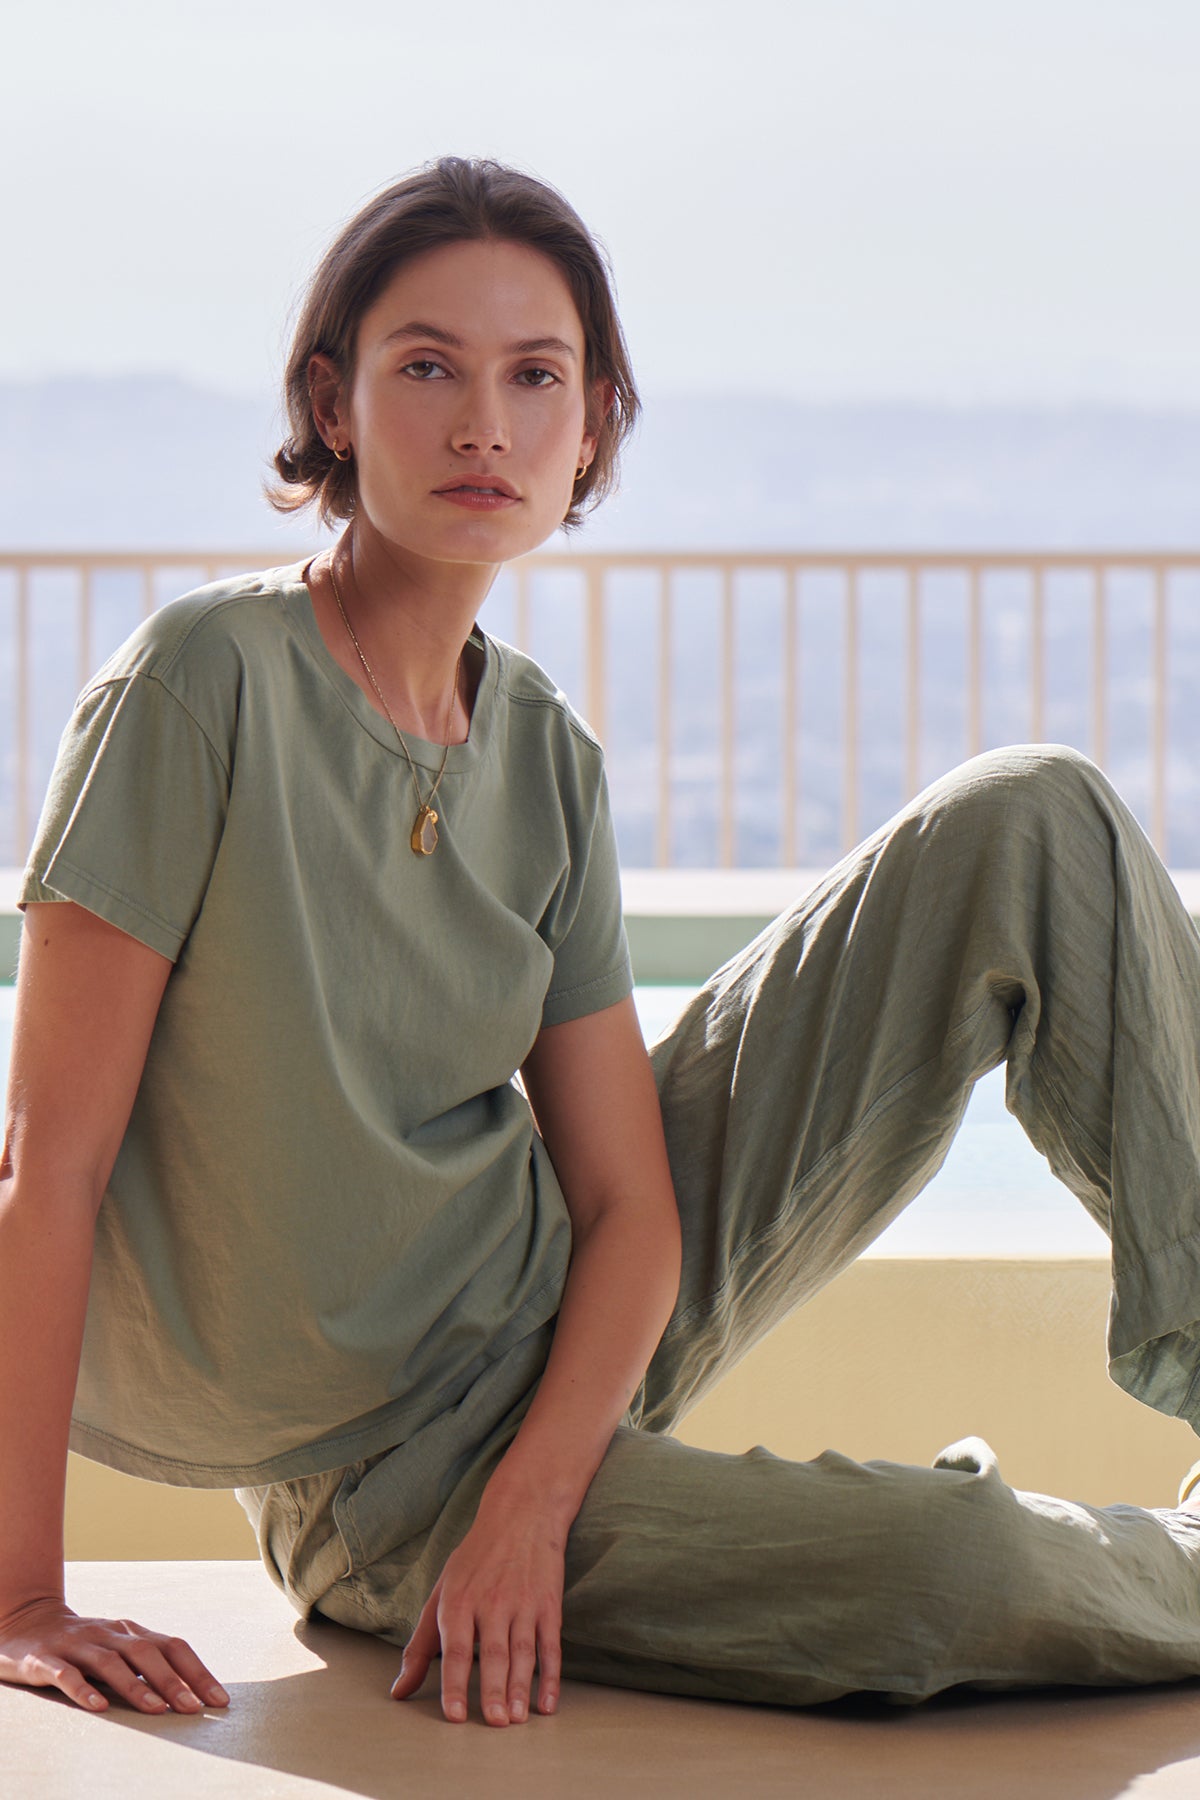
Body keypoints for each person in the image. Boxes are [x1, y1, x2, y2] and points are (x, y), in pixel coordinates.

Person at [4, 156, 1200, 1734]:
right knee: (946, 1574)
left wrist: (540, 1498)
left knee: (1036, 815)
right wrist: (23, 1594)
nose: (483, 423)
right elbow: (50, 1167)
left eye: (535, 376)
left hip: (559, 1304)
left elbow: (631, 1203)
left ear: (594, 426)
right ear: (335, 402)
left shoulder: (544, 753)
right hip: (386, 1483)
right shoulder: (198, 688)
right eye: (426, 366)